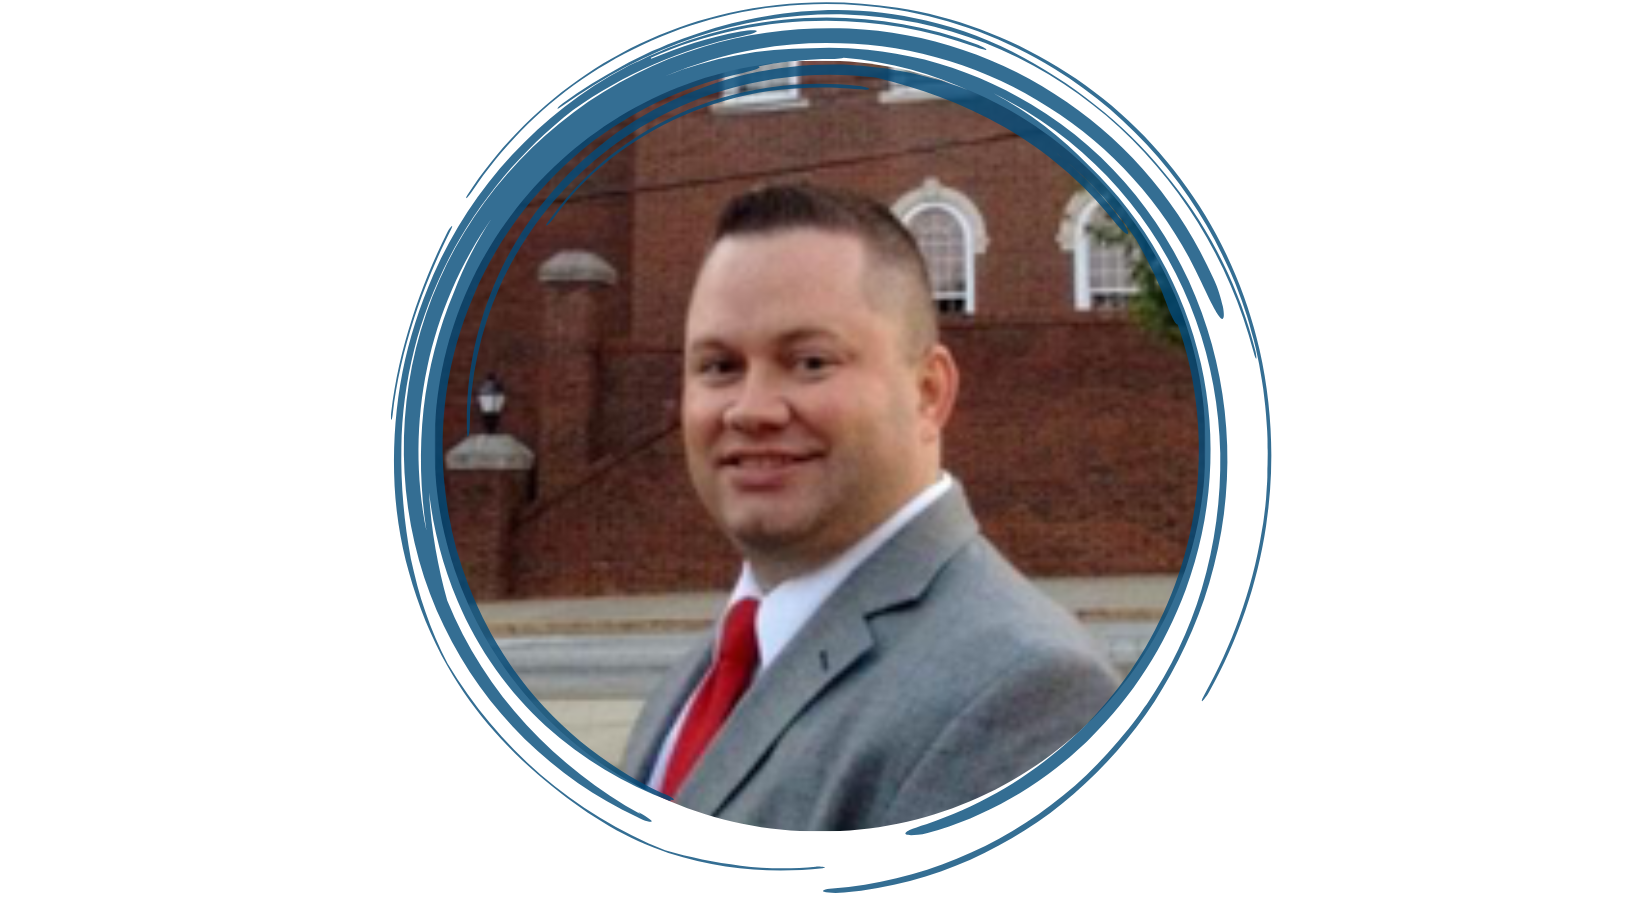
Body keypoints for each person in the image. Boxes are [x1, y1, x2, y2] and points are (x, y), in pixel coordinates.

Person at [622, 184, 1119, 831]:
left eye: (810, 362)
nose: (751, 409)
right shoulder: (705, 675)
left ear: (928, 392)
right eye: (719, 366)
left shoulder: (1029, 695)